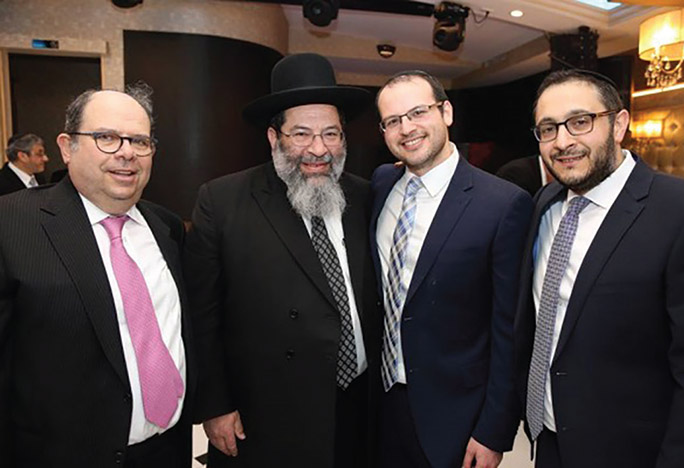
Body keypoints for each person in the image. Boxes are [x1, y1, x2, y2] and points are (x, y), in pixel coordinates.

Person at [185, 53, 380, 468]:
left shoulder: (367, 196)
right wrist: (215, 405)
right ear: (274, 137)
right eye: (302, 134)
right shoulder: (223, 201)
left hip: (359, 406)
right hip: (269, 413)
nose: (319, 149)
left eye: (331, 134)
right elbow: (201, 315)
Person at [514, 69, 684, 468]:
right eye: (548, 129)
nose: (562, 141)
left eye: (580, 122)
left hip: (634, 452)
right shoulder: (544, 203)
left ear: (619, 124)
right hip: (549, 439)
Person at [0, 85, 194, 468]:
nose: (127, 152)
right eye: (106, 137)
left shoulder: (167, 227)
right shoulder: (10, 225)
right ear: (67, 147)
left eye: (140, 141)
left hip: (168, 450)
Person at [371, 70, 533, 468]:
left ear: (446, 112)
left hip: (455, 416)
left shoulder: (503, 204)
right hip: (380, 407)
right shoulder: (381, 184)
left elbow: (509, 329)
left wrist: (494, 430)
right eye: (393, 120)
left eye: (418, 112)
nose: (407, 128)